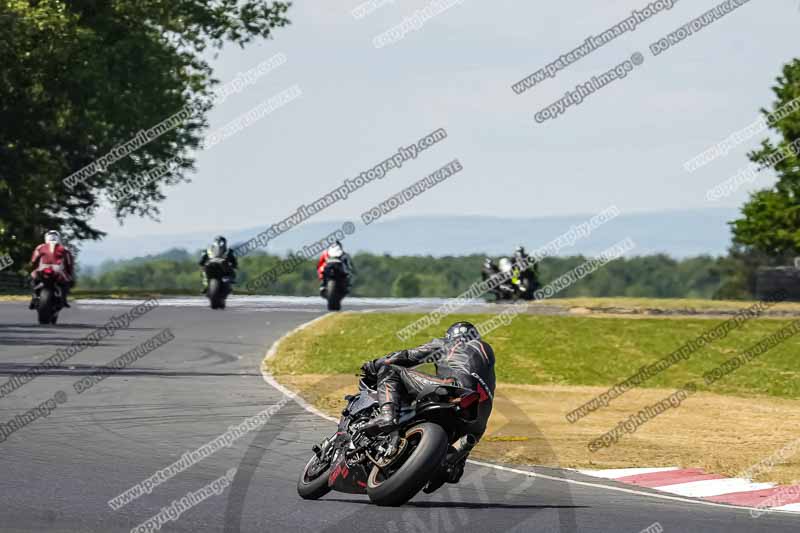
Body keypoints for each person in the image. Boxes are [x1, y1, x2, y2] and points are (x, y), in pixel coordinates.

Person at [359, 322, 495, 486]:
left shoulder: (448, 343)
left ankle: (387, 415)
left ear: (452, 335)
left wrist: (373, 364)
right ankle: (451, 463)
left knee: (391, 370)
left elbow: (408, 356)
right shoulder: (487, 357)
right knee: (466, 441)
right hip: (480, 416)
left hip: (454, 388)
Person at [29, 230, 75, 309]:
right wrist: (69, 274)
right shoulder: (65, 249)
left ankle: (34, 298)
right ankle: (64, 300)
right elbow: (69, 264)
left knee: (32, 278)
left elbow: (33, 260)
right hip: (58, 271)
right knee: (66, 282)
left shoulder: (40, 247)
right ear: (59, 238)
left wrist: (34, 268)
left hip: (42, 269)